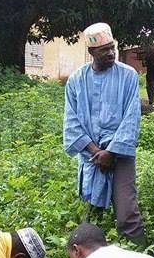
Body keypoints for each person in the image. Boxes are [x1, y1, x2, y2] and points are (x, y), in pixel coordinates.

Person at [63, 23, 147, 246]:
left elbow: (132, 118)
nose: (111, 53)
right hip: (92, 157)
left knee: (128, 213)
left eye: (112, 47)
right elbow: (71, 122)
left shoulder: (128, 76)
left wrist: (111, 152)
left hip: (120, 155)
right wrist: (96, 152)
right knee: (92, 213)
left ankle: (140, 257)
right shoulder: (76, 81)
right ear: (91, 52)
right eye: (104, 50)